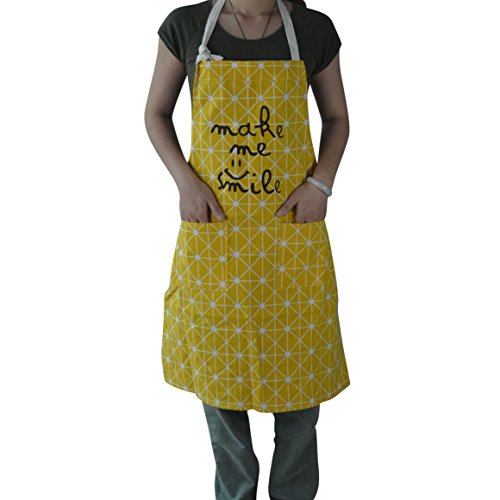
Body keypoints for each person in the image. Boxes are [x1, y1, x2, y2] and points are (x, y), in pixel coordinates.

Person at [144, 1, 350, 498]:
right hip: (217, 236)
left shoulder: (313, 29)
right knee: (220, 383)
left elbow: (337, 117)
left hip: (291, 239)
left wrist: (321, 184)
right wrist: (185, 182)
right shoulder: (186, 27)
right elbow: (155, 113)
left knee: (300, 385)